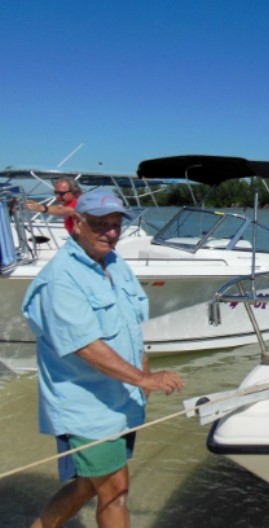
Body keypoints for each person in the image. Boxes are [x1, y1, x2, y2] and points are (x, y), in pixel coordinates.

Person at [22, 189, 185, 528]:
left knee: (86, 486)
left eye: (115, 225)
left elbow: (130, 326)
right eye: (100, 224)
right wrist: (144, 379)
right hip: (86, 409)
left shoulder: (114, 262)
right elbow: (85, 345)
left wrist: (142, 377)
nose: (110, 232)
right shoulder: (61, 278)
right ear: (77, 223)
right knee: (115, 491)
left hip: (120, 401)